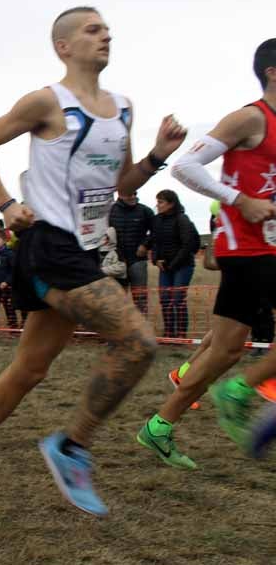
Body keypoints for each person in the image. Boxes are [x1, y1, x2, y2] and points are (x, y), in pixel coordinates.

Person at [0, 6, 186, 515]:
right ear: (64, 46)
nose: (106, 36)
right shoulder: (46, 102)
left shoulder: (122, 109)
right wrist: (7, 204)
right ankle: (72, 446)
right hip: (48, 245)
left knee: (30, 369)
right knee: (138, 342)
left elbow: (121, 186)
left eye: (107, 30)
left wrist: (158, 157)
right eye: (93, 30)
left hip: (86, 251)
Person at [137, 38, 276, 464]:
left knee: (225, 350)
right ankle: (238, 392)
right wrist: (240, 201)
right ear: (272, 72)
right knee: (226, 352)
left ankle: (159, 427)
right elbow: (184, 167)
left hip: (263, 249)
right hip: (247, 249)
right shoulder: (250, 118)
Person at [148, 189, 198, 338]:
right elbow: (154, 241)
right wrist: (156, 259)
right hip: (164, 267)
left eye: (161, 202)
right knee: (165, 299)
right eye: (157, 202)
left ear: (171, 204)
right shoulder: (156, 220)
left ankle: (181, 333)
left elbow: (188, 244)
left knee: (177, 298)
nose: (158, 205)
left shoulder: (182, 219)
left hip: (182, 266)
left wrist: (173, 264)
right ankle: (169, 331)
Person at [108, 192, 154, 313]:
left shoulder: (145, 211)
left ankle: (142, 327)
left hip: (137, 260)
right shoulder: (110, 211)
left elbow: (156, 231)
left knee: (140, 298)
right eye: (130, 194)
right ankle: (119, 328)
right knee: (117, 298)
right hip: (116, 261)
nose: (133, 196)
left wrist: (145, 245)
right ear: (121, 194)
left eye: (135, 193)